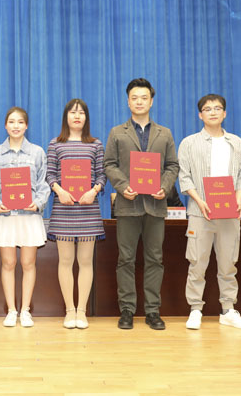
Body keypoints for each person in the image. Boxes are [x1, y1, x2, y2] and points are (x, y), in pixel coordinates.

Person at [104, 78, 179, 330]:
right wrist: (122, 185)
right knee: (125, 259)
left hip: (155, 206)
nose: (139, 102)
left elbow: (172, 165)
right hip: (128, 205)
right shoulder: (117, 132)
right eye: (134, 98)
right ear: (128, 102)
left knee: (155, 259)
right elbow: (109, 164)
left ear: (151, 101)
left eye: (144, 98)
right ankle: (126, 310)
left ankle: (152, 311)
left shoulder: (164, 133)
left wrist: (164, 187)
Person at [178, 94, 241, 330]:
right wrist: (199, 201)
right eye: (208, 109)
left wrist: (238, 198)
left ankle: (228, 310)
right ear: (200, 115)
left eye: (218, 108)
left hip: (229, 214)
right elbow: (184, 176)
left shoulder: (237, 143)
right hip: (199, 213)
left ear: (225, 113)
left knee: (229, 263)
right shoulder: (189, 143)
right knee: (197, 263)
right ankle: (195, 309)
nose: (213, 112)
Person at [0, 107, 50, 328]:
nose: (16, 126)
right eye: (12, 122)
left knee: (28, 263)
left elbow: (44, 183)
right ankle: (11, 310)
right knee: (8, 263)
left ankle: (25, 311)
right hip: (6, 216)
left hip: (29, 216)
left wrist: (38, 202)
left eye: (20, 122)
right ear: (5, 125)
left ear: (26, 126)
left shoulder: (37, 152)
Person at [46, 99, 106, 329]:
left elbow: (101, 175)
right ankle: (69, 310)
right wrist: (59, 191)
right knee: (65, 261)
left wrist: (94, 191)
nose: (77, 116)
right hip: (64, 208)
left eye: (81, 113)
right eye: (73, 112)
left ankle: (82, 311)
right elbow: (50, 174)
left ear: (86, 118)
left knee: (85, 261)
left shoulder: (95, 144)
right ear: (66, 117)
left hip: (88, 208)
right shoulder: (56, 144)